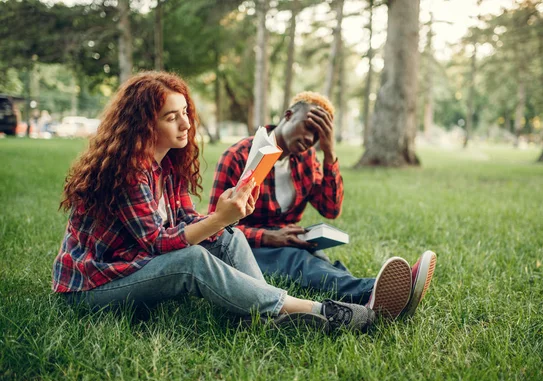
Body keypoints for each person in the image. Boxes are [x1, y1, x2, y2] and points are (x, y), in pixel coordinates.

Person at [52, 71, 402, 333]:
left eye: (185, 112)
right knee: (193, 261)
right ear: (142, 124)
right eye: (171, 117)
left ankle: (269, 315)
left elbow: (189, 219)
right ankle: (315, 310)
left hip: (133, 265)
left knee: (228, 237)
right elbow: (157, 242)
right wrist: (220, 218)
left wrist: (226, 218)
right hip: (90, 287)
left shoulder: (167, 167)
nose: (186, 123)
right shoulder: (128, 170)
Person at [209, 92, 437, 319]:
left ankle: (377, 305)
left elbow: (331, 208)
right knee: (300, 262)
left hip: (288, 241)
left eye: (319, 136)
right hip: (246, 247)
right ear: (288, 115)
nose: (311, 139)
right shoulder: (238, 156)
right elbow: (215, 230)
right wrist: (268, 236)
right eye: (309, 128)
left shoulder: (305, 158)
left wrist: (329, 153)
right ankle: (374, 291)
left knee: (322, 263)